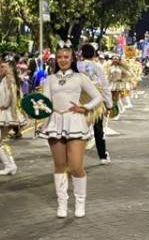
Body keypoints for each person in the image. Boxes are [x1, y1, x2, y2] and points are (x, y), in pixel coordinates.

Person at [36, 45, 103, 218]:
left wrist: (85, 107)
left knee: (75, 166)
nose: (63, 60)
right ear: (56, 59)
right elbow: (46, 102)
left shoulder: (80, 77)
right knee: (59, 165)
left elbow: (98, 96)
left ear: (72, 59)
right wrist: (37, 109)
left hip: (75, 122)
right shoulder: (49, 79)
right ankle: (62, 204)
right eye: (60, 57)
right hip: (55, 122)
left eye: (66, 57)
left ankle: (80, 202)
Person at [77, 44, 113, 164]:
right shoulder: (98, 66)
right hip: (95, 100)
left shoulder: (76, 66)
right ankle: (102, 156)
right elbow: (104, 85)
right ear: (94, 54)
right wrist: (109, 103)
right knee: (98, 129)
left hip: (80, 100)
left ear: (81, 53)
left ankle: (76, 156)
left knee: (78, 129)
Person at [0, 60, 21, 176]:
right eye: (0, 66)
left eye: (3, 67)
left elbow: (11, 96)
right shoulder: (1, 79)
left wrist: (6, 105)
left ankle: (10, 165)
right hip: (2, 111)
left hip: (6, 113)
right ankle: (10, 165)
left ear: (9, 68)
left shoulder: (10, 80)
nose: (0, 68)